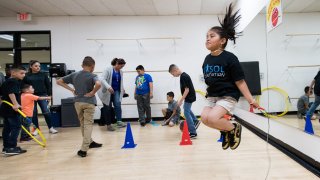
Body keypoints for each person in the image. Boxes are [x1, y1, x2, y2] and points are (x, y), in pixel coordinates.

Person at [200, 3, 260, 150]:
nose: (207, 39)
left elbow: (240, 81)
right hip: (213, 96)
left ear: (222, 40)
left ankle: (233, 128)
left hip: (228, 96)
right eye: (206, 36)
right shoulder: (207, 59)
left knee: (213, 118)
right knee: (205, 119)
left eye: (211, 36)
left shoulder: (230, 58)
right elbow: (210, 81)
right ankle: (227, 131)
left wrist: (251, 100)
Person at [57, 56, 102, 157]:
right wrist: (92, 92)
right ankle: (84, 149)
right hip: (89, 102)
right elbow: (98, 84)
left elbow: (59, 81)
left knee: (83, 124)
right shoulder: (92, 75)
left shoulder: (74, 74)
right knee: (88, 125)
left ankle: (90, 142)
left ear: (82, 65)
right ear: (92, 66)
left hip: (77, 103)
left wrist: (71, 90)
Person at [23, 60, 58, 135]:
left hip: (43, 95)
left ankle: (51, 127)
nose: (38, 67)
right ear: (31, 66)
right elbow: (24, 86)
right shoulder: (27, 76)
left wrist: (49, 95)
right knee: (34, 113)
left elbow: (48, 85)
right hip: (31, 96)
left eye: (39, 66)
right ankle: (37, 129)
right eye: (36, 66)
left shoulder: (43, 75)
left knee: (46, 111)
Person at [0, 66, 27, 155]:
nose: (23, 75)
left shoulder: (6, 81)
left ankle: (6, 147)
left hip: (5, 108)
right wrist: (15, 104)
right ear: (13, 73)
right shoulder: (13, 81)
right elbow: (11, 93)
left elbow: (2, 96)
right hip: (11, 108)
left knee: (7, 128)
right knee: (16, 126)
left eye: (24, 73)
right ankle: (12, 147)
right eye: (21, 73)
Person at [169, 64, 201, 138]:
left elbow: (187, 90)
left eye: (172, 74)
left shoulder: (184, 76)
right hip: (190, 96)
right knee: (186, 109)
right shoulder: (183, 76)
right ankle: (195, 120)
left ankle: (193, 132)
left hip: (189, 96)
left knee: (186, 113)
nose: (173, 75)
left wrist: (180, 100)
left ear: (175, 70)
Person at [97, 58, 127, 131]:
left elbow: (120, 81)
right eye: (121, 66)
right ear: (116, 64)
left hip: (116, 90)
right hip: (106, 91)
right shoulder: (108, 69)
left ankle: (119, 121)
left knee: (117, 104)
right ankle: (108, 124)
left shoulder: (121, 72)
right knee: (108, 107)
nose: (121, 68)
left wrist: (122, 88)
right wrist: (108, 87)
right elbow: (102, 79)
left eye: (122, 66)